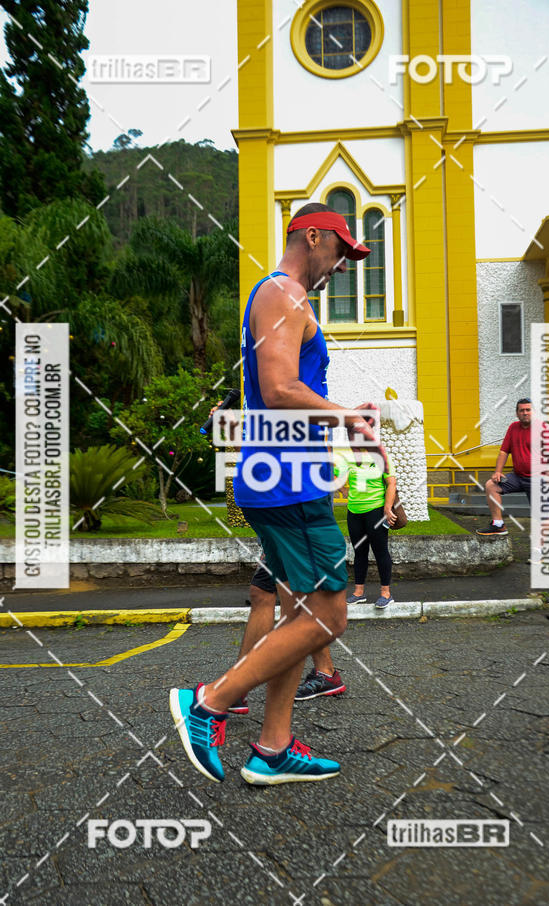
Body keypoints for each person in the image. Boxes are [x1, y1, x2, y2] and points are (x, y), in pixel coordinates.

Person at [170, 202, 372, 785]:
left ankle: (273, 747)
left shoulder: (287, 298)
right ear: (313, 237)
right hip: (288, 480)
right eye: (339, 250)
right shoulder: (282, 294)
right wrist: (345, 417)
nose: (341, 264)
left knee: (298, 610)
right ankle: (208, 701)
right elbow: (280, 388)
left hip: (288, 475)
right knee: (330, 614)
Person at [227, 555, 346, 715]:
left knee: (290, 600)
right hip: (281, 534)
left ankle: (235, 688)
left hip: (293, 535)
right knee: (265, 594)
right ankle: (326, 672)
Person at [334, 448, 398, 609]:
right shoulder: (349, 458)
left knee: (380, 551)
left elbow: (391, 483)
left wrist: (388, 508)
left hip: (376, 510)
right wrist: (344, 490)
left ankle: (386, 594)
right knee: (359, 551)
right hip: (354, 512)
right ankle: (358, 593)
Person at [476, 398, 532, 536]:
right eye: (522, 410)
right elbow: (504, 451)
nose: (525, 413)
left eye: (528, 410)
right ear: (517, 413)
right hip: (518, 476)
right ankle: (498, 525)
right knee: (491, 485)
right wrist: (498, 472)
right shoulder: (513, 427)